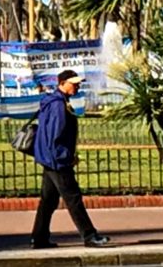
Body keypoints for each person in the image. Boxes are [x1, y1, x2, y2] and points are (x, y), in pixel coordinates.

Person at [31, 70, 110, 249]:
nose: (77, 86)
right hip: (57, 160)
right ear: (62, 83)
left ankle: (39, 237)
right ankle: (89, 236)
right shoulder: (59, 105)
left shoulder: (53, 102)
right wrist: (66, 157)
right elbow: (55, 135)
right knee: (73, 198)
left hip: (49, 159)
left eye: (78, 83)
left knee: (48, 200)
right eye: (73, 83)